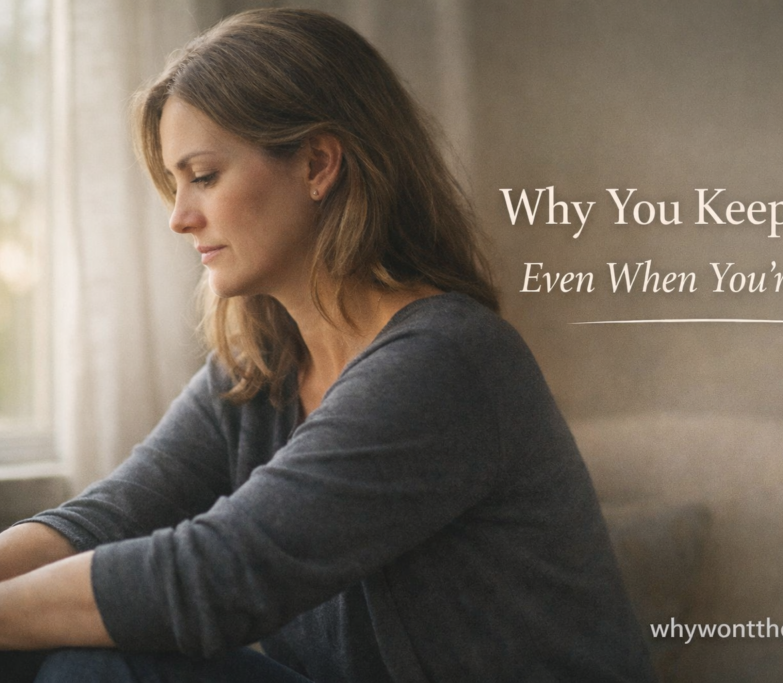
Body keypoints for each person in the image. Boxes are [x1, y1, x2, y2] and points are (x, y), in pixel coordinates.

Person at [0, 9, 656, 682]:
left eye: (203, 175)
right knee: (66, 655)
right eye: (175, 183)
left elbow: (223, 575)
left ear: (317, 164)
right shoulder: (261, 367)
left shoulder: (448, 361)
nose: (179, 217)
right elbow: (106, 518)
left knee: (95, 669)